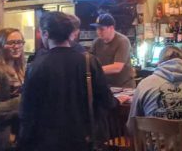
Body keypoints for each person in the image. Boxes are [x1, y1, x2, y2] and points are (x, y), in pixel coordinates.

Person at [18, 12, 117, 151]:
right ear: (71, 33)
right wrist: (119, 100)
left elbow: (27, 111)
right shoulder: (89, 61)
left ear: (46, 33)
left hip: (46, 141)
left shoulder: (35, 66)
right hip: (82, 139)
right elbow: (106, 101)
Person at [90, 13, 134, 88]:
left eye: (101, 29)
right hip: (106, 86)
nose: (98, 31)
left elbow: (117, 67)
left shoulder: (122, 41)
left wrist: (94, 71)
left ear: (111, 28)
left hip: (123, 87)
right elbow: (90, 60)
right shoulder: (96, 42)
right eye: (97, 29)